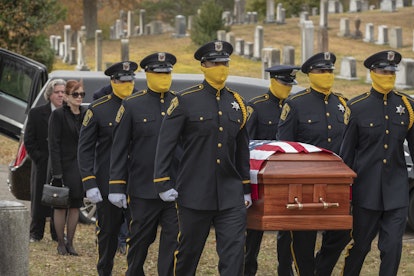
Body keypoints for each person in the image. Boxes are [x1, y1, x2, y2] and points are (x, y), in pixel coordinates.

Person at [153, 40, 252, 275]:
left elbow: (242, 147)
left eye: (225, 62)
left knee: (235, 253)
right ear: (203, 65)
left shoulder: (237, 102)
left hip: (230, 193)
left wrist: (246, 186)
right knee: (188, 253)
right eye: (215, 62)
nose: (221, 67)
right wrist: (162, 182)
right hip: (194, 192)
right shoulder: (185, 101)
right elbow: (165, 145)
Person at [341, 50, 414, 276]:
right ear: (373, 73)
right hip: (366, 190)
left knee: (392, 248)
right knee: (360, 246)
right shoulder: (357, 107)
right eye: (384, 71)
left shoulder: (407, 106)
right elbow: (347, 154)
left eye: (392, 72)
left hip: (397, 190)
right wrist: (346, 193)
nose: (389, 76)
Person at [277, 52, 350, 275]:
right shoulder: (295, 104)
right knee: (303, 241)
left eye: (329, 71)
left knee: (342, 234)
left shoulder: (343, 104)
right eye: (321, 71)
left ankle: (321, 270)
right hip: (305, 183)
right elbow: (285, 146)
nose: (326, 75)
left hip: (336, 183)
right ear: (310, 74)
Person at [108, 52, 178, 276]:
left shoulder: (180, 103)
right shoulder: (131, 105)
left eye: (167, 72)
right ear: (148, 74)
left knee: (173, 241)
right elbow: (118, 149)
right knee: (139, 241)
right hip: (142, 188)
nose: (164, 77)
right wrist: (117, 186)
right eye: (159, 73)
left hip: (175, 186)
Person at [78, 61, 138, 276]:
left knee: (139, 235)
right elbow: (84, 149)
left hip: (137, 181)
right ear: (113, 82)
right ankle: (105, 270)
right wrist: (89, 182)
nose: (127, 85)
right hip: (106, 182)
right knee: (108, 234)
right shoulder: (98, 109)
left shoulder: (142, 104)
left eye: (131, 80)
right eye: (122, 81)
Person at [244, 65, 300, 276]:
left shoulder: (294, 107)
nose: (287, 88)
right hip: (261, 179)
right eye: (283, 83)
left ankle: (285, 270)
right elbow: (247, 146)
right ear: (273, 81)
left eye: (289, 84)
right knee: (253, 232)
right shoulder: (256, 107)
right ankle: (247, 269)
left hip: (285, 177)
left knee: (287, 229)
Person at [48, 80, 86, 255]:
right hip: (63, 166)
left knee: (76, 205)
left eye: (82, 94)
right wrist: (57, 173)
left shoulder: (86, 114)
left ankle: (70, 243)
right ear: (67, 97)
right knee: (61, 205)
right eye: (75, 94)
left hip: (81, 167)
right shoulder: (58, 115)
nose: (79, 98)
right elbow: (54, 145)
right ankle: (61, 243)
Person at [24, 79, 65, 242]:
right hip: (42, 163)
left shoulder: (68, 113)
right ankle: (36, 233)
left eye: (63, 92)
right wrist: (40, 158)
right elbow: (29, 140)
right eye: (57, 92)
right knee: (38, 199)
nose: (61, 95)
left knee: (59, 198)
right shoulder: (36, 113)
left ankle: (57, 233)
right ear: (49, 95)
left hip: (61, 163)